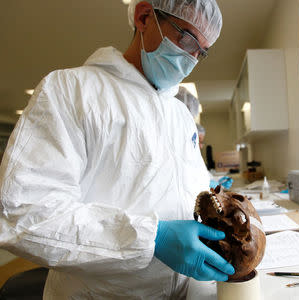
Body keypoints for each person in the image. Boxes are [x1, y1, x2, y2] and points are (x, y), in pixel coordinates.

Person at [0, 0, 235, 299]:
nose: (191, 57)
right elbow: (25, 212)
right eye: (186, 38)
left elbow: (183, 188)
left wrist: (217, 201)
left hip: (187, 291)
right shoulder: (70, 91)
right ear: (144, 16)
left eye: (200, 52)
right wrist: (154, 239)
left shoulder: (180, 115)